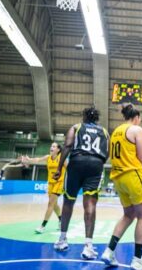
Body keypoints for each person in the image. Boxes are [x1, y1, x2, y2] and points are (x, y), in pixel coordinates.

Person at [100, 104, 142, 269]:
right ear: (136, 117)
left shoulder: (115, 132)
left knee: (128, 215)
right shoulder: (136, 130)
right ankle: (137, 259)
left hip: (118, 177)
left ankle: (109, 250)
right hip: (133, 174)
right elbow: (141, 154)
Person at [53, 106, 109, 259]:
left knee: (68, 201)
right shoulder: (104, 131)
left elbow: (68, 146)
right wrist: (97, 162)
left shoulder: (76, 127)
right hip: (95, 165)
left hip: (76, 163)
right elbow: (107, 153)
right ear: (96, 118)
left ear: (84, 117)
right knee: (90, 204)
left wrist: (59, 168)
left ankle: (62, 239)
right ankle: (88, 247)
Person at [21, 142, 67, 233]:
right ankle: (62, 221)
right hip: (50, 184)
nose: (51, 147)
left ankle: (42, 226)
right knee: (54, 205)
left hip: (59, 183)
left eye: (54, 146)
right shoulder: (48, 157)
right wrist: (28, 160)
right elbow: (37, 160)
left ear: (58, 149)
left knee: (50, 204)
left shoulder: (61, 158)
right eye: (51, 146)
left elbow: (69, 168)